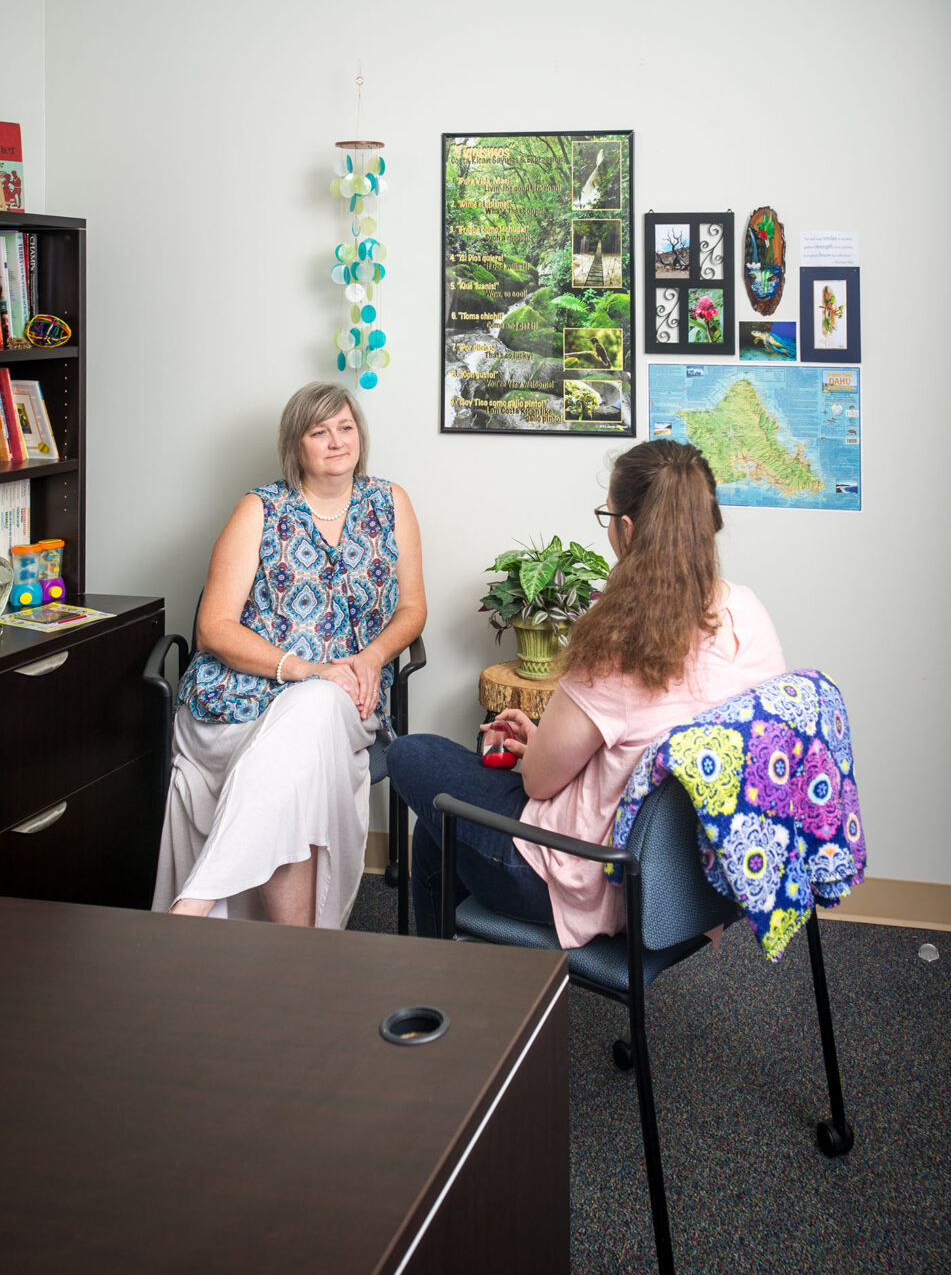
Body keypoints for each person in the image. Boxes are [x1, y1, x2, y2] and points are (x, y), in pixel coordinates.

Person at [386, 439, 785, 948]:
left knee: (411, 752)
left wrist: (538, 754)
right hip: (692, 880)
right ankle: (453, 978)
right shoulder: (747, 613)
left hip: (593, 878)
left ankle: (444, 985)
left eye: (608, 515)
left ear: (628, 528)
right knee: (437, 832)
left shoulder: (619, 637)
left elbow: (537, 784)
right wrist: (547, 739)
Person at [152, 382, 426, 927]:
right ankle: (296, 953)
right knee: (304, 744)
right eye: (318, 431)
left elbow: (413, 608)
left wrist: (370, 659)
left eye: (345, 428)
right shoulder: (259, 508)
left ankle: (194, 907)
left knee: (318, 707)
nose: (336, 441)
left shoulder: (390, 502)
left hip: (347, 695)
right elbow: (213, 629)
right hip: (237, 700)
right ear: (294, 445)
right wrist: (305, 670)